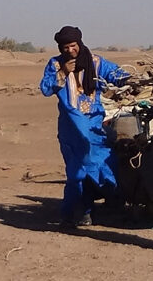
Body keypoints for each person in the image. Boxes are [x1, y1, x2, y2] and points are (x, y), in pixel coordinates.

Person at [41, 26, 130, 228]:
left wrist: (127, 82)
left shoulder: (96, 62)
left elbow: (118, 74)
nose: (70, 51)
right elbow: (45, 89)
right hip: (70, 129)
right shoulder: (55, 64)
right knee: (77, 173)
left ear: (79, 43)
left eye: (73, 46)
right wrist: (63, 72)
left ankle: (113, 204)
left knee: (104, 165)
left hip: (94, 127)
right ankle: (80, 210)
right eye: (65, 48)